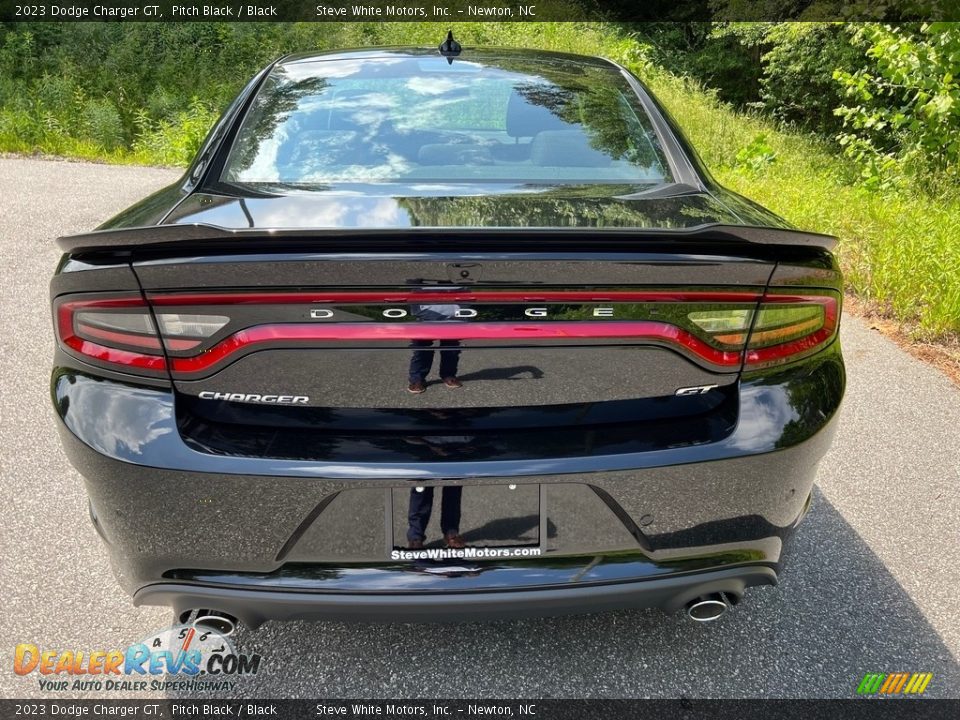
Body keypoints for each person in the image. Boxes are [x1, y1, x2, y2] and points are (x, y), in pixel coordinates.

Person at [407, 303, 463, 393]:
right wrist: (419, 311)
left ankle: (449, 375)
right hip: (424, 317)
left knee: (452, 349)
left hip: (453, 318)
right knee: (421, 350)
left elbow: (464, 294)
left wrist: (459, 311)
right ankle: (417, 379)